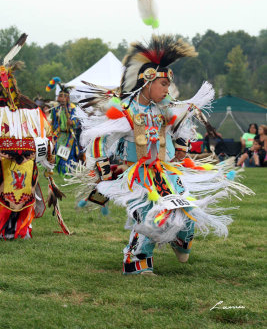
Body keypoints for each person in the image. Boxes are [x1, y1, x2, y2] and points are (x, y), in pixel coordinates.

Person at [71, 34, 252, 275]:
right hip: (135, 173)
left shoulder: (166, 106)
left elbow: (183, 127)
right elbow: (98, 136)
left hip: (166, 172)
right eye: (163, 84)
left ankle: (180, 239)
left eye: (168, 85)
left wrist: (181, 146)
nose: (168, 89)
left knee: (186, 214)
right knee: (149, 215)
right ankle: (136, 261)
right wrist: (102, 164)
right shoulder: (125, 108)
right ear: (147, 81)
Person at [0, 34, 56, 239]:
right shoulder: (26, 107)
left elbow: (46, 135)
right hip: (7, 161)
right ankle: (7, 227)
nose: (7, 86)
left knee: (23, 191)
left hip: (25, 161)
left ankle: (22, 228)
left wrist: (42, 152)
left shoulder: (29, 108)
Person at [47, 79, 80, 175]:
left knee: (68, 154)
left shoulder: (73, 108)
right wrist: (52, 133)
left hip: (69, 135)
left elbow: (77, 122)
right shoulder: (56, 108)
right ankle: (61, 171)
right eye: (60, 96)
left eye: (64, 96)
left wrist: (72, 122)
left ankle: (69, 171)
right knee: (59, 153)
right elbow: (53, 122)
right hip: (60, 134)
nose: (62, 98)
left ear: (68, 98)